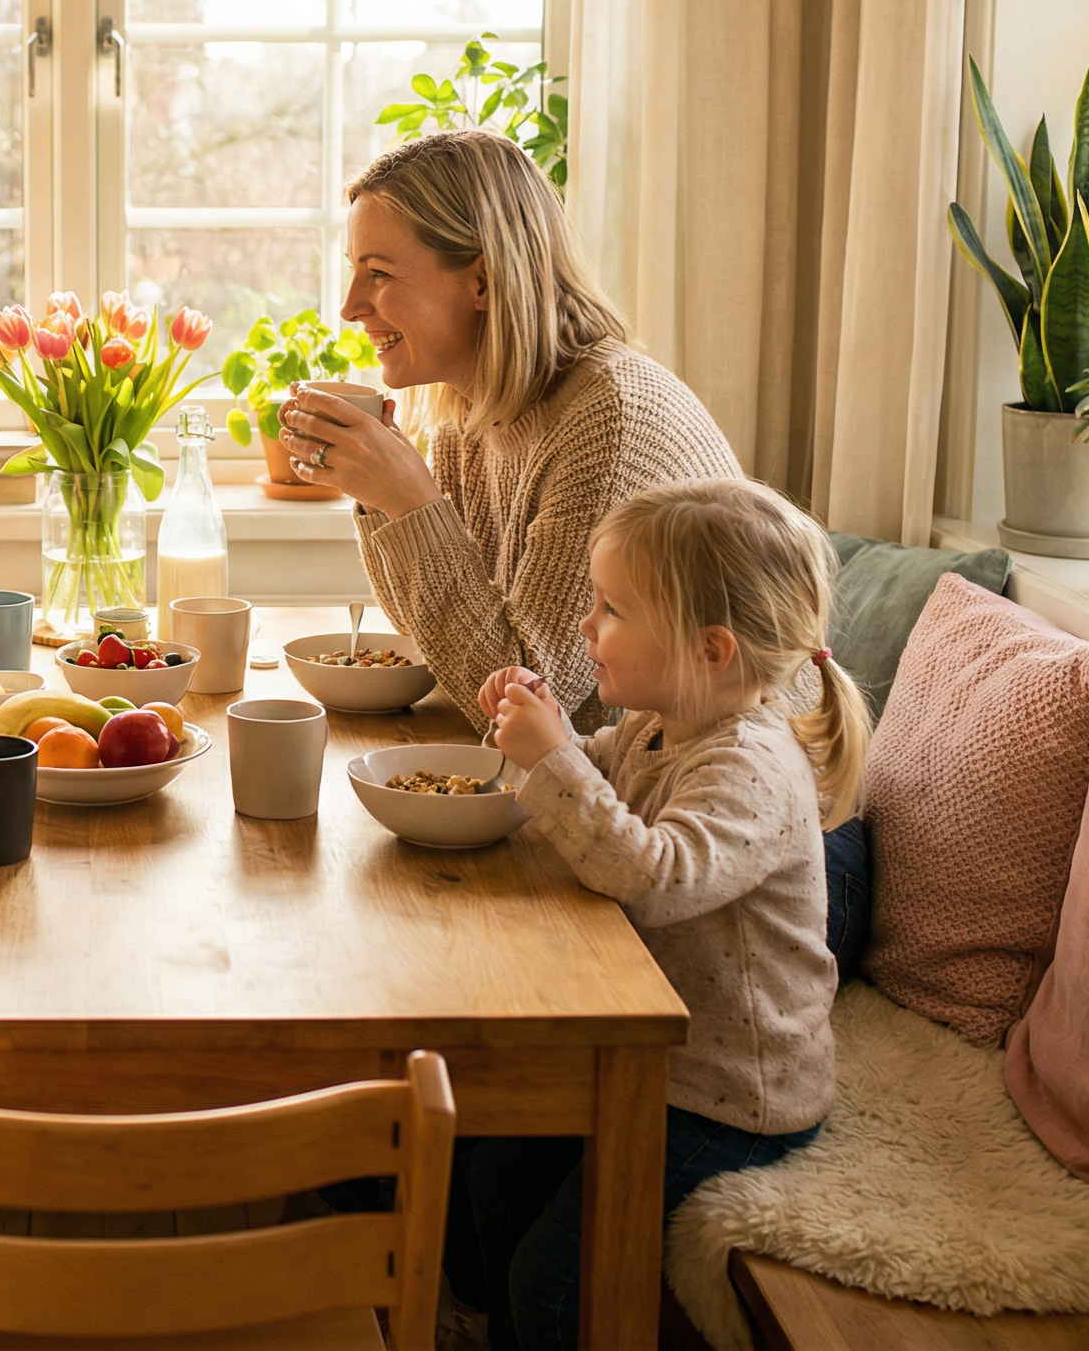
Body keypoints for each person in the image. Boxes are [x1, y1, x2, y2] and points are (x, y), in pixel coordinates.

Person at [465, 477, 865, 1351]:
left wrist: (552, 760)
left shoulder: (750, 769)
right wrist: (548, 737)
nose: (585, 628)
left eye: (610, 609)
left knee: (553, 1279)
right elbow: (595, 774)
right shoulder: (660, 726)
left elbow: (651, 875)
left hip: (730, 1096)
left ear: (710, 648)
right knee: (492, 1173)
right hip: (648, 1055)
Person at [278, 128, 742, 732]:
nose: (350, 306)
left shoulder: (608, 423)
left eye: (380, 273)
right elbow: (439, 638)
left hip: (720, 798)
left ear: (483, 281)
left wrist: (412, 503)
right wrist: (378, 495)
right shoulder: (470, 415)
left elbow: (526, 697)